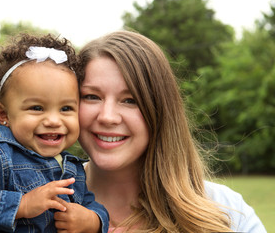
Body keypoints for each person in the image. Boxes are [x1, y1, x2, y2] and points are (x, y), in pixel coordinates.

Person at [76, 30, 267, 233]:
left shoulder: (228, 213)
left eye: (130, 100)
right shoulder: (43, 209)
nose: (107, 116)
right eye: (92, 96)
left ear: (160, 111)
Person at [0, 33, 109, 233]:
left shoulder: (72, 167)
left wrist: (93, 220)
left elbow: (91, 203)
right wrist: (22, 204)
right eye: (37, 108)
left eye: (66, 109)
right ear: (3, 114)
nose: (54, 121)